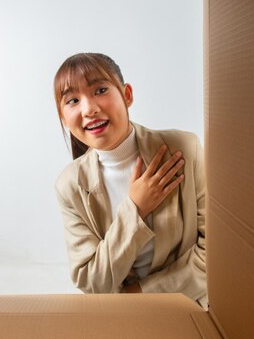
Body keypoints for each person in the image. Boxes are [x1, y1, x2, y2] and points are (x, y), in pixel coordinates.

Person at [53, 52, 208, 308]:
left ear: (127, 95)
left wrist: (139, 296)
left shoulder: (184, 149)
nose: (89, 109)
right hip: (119, 318)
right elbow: (92, 281)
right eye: (72, 100)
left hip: (188, 306)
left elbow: (214, 253)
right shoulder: (69, 185)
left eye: (100, 90)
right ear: (63, 116)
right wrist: (135, 209)